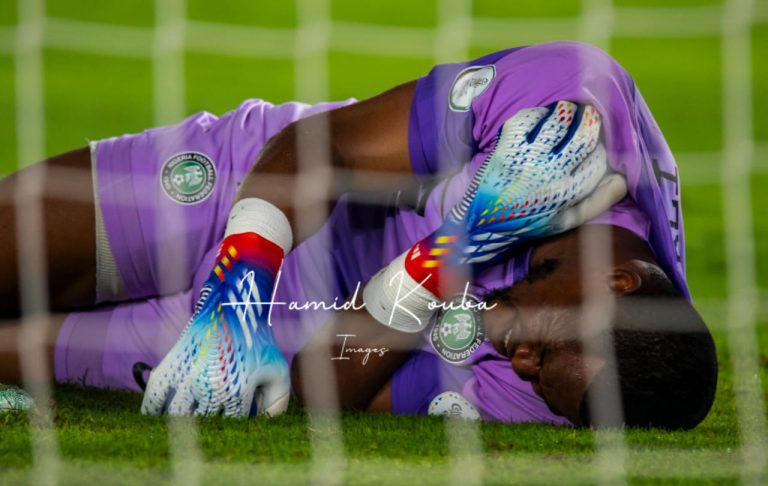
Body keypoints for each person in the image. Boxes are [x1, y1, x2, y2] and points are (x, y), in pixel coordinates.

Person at [0, 41, 717, 428]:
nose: (523, 363)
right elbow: (324, 144)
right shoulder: (572, 102)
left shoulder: (560, 398)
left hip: (271, 345)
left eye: (539, 381)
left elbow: (318, 388)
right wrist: (235, 289)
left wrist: (450, 253)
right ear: (618, 282)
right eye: (548, 349)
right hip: (244, 198)